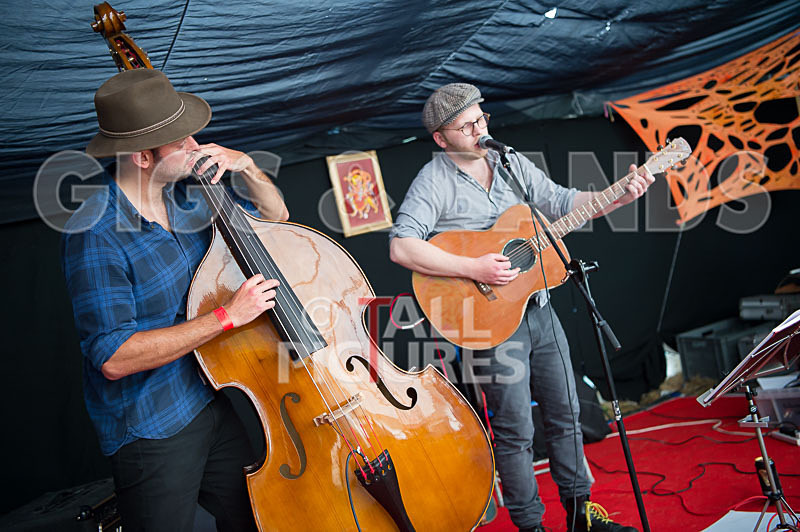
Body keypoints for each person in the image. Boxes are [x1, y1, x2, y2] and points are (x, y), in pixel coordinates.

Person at [389, 83, 652, 532]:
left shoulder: (510, 163)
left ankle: (580, 515)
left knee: (567, 412)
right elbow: (402, 247)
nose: (479, 130)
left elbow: (565, 203)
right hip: (487, 322)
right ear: (441, 137)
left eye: (481, 119)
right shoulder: (433, 181)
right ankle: (531, 525)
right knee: (516, 430)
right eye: (466, 125)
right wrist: (474, 266)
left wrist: (618, 196)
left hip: (539, 309)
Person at [61, 68, 289, 531]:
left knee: (256, 517)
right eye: (182, 142)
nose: (197, 147)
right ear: (143, 157)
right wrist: (228, 317)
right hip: (152, 422)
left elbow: (276, 214)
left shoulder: (187, 197)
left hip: (209, 394)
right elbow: (114, 358)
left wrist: (245, 163)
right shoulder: (95, 231)